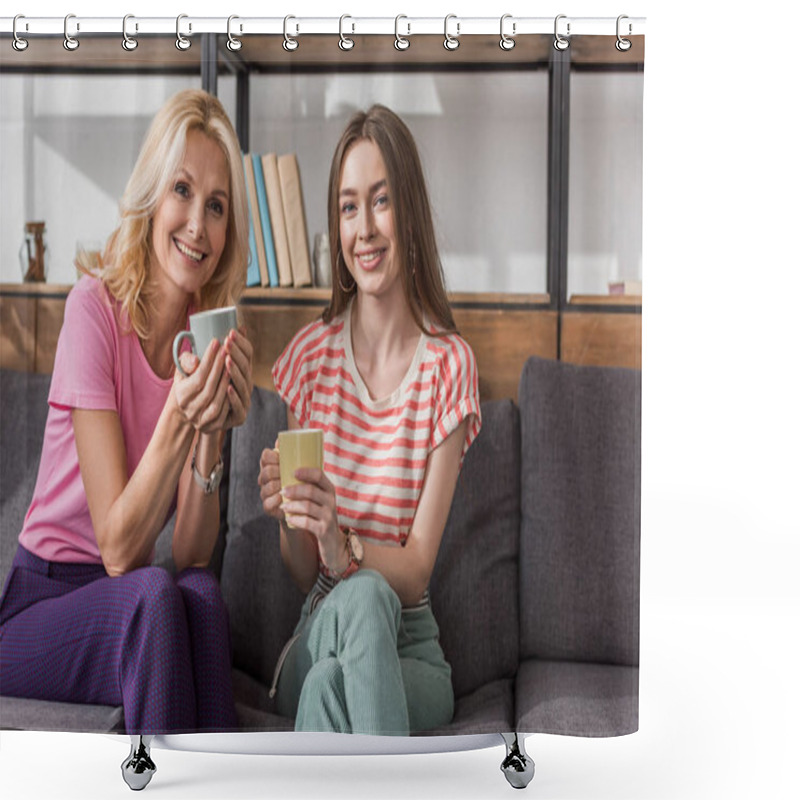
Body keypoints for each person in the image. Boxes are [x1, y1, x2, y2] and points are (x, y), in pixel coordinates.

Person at [0, 89, 253, 735]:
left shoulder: (203, 337)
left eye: (217, 206)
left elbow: (193, 550)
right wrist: (180, 411)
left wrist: (214, 434)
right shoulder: (94, 310)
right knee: (152, 596)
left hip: (125, 593)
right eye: (183, 190)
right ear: (151, 196)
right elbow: (118, 549)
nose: (198, 223)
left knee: (198, 595)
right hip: (42, 601)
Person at [258, 104, 481, 736]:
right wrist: (290, 524)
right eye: (349, 207)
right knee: (352, 605)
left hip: (412, 651)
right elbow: (306, 572)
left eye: (380, 201)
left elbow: (412, 573)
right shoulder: (310, 360)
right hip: (316, 634)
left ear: (408, 211)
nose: (364, 229)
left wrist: (341, 544)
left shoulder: (449, 370)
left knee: (335, 681)